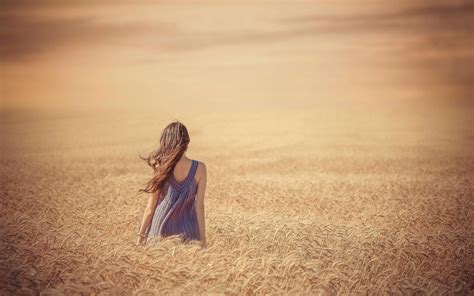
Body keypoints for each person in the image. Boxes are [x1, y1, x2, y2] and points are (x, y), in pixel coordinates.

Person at [136, 121, 207, 248]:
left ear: (166, 143)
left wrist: (140, 238)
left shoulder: (160, 167)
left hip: (159, 232)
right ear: (187, 142)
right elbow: (199, 207)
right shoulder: (200, 169)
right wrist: (203, 242)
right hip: (188, 235)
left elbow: (150, 209)